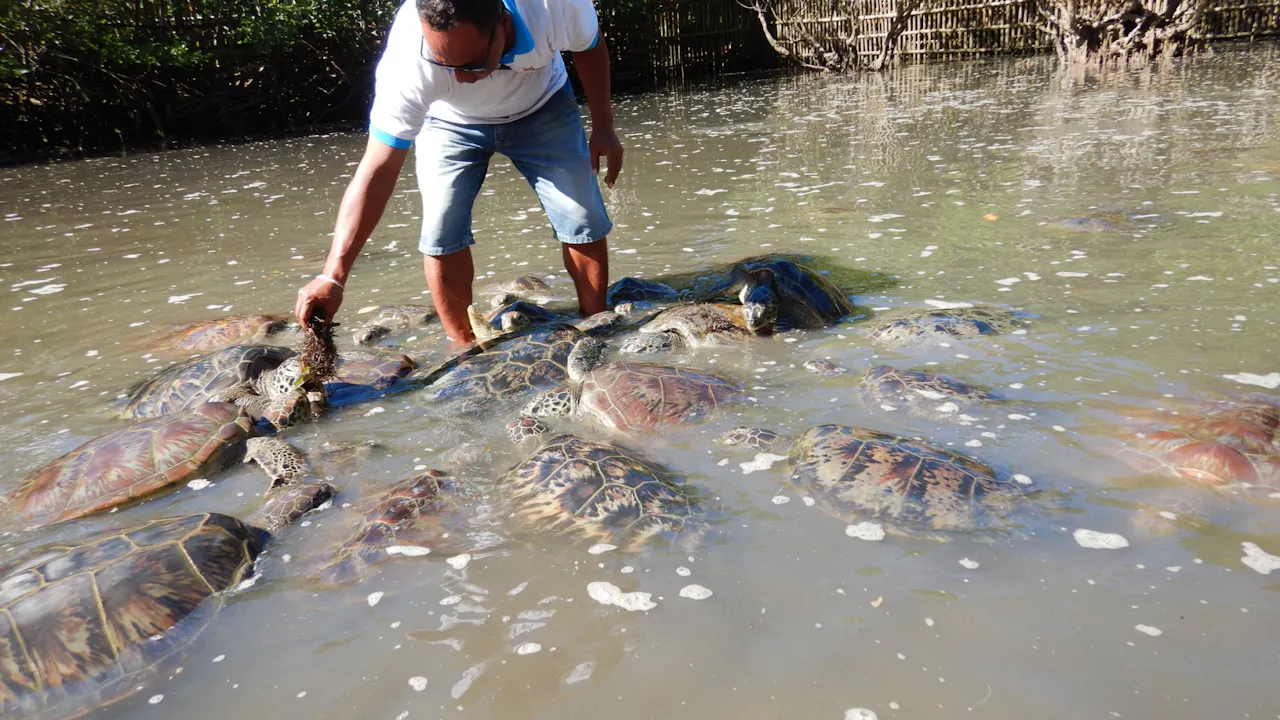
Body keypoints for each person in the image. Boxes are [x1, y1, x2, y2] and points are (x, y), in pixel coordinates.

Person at [294, 0, 622, 346]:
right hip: (448, 122)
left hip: (543, 104)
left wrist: (603, 127)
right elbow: (376, 171)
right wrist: (333, 276)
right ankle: (465, 349)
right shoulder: (409, 61)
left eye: (472, 64)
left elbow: (589, 47)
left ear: (504, 26)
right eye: (444, 65)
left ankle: (595, 326)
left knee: (580, 213)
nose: (462, 78)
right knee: (440, 228)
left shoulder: (552, 6)